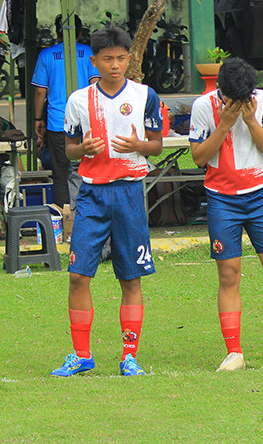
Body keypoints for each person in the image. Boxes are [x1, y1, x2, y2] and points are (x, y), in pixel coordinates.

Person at [51, 26, 163, 378]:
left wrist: (139, 147)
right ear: (94, 61)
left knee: (130, 279)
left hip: (129, 192)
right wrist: (81, 149)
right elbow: (69, 148)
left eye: (121, 58)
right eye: (107, 59)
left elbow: (157, 144)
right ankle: (81, 355)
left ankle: (129, 355)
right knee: (77, 276)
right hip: (91, 195)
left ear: (129, 58)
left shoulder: (145, 95)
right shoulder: (78, 100)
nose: (115, 65)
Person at [189, 57, 263, 371]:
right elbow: (199, 158)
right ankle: (234, 353)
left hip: (259, 196)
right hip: (221, 200)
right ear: (221, 91)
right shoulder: (203, 106)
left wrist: (252, 120)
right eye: (232, 98)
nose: (239, 103)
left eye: (245, 98)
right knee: (228, 275)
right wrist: (225, 125)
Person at [32, 14, 100, 212]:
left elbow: (39, 91)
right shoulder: (89, 53)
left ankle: (66, 217)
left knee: (61, 173)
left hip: (57, 121)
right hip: (86, 122)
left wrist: (38, 118)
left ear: (57, 32)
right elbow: (95, 86)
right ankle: (88, 214)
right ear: (79, 32)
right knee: (88, 169)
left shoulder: (46, 55)